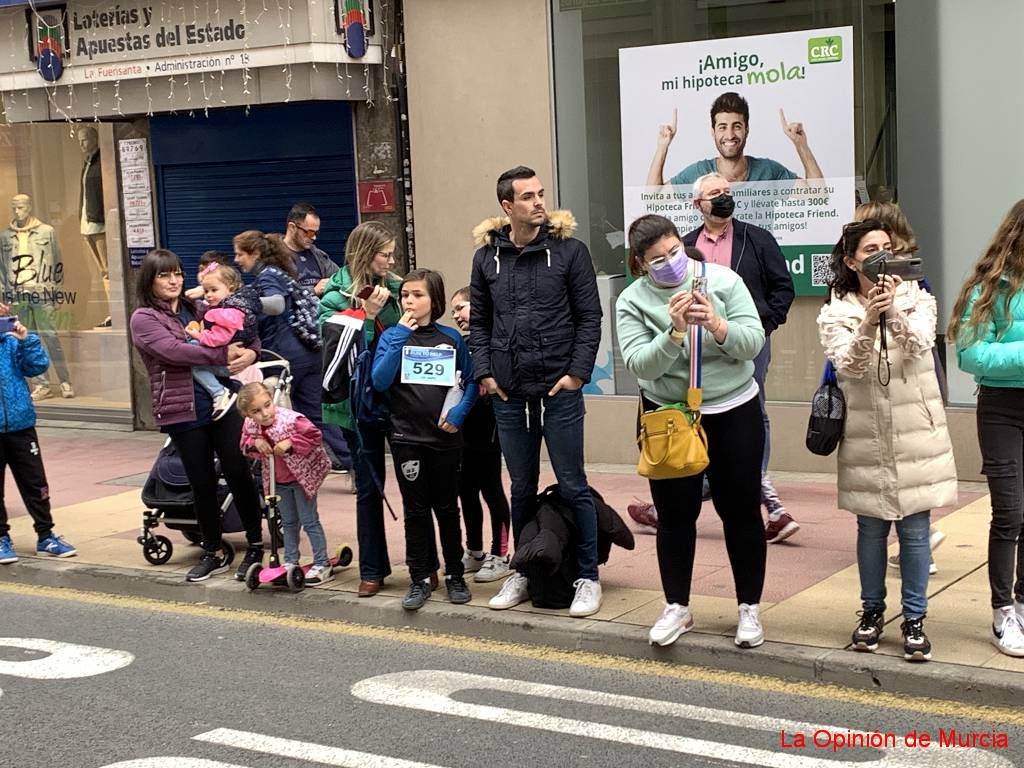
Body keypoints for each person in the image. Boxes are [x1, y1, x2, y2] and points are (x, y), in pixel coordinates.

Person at [616, 214, 767, 649]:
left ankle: (749, 609)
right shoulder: (632, 301)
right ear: (641, 264)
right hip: (671, 415)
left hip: (733, 407)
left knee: (739, 510)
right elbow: (640, 365)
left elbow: (752, 343)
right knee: (676, 515)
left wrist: (718, 326)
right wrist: (675, 332)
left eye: (674, 252)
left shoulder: (722, 280)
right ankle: (677, 606)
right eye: (657, 259)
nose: (669, 263)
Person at [819, 219, 956, 663]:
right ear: (851, 260)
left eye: (886, 247)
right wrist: (868, 322)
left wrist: (892, 312)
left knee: (915, 531)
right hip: (865, 431)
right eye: (870, 250)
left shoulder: (919, 297)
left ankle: (915, 619)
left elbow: (921, 348)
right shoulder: (835, 309)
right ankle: (872, 612)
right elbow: (848, 365)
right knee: (870, 528)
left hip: (916, 428)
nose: (880, 256)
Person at [470, 165, 604, 618]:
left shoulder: (570, 252)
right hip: (509, 394)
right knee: (521, 487)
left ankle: (587, 576)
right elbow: (480, 322)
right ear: (507, 206)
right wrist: (485, 373)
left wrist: (577, 375)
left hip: (559, 390)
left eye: (541, 194)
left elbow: (590, 318)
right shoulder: (487, 258)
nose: (539, 202)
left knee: (573, 484)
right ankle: (523, 570)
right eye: (528, 197)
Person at [130, 249, 265, 583]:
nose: (174, 280)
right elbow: (175, 352)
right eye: (164, 275)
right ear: (150, 280)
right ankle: (212, 549)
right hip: (181, 407)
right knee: (201, 480)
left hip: (224, 399)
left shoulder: (199, 307)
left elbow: (243, 330)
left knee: (238, 470)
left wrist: (251, 352)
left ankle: (256, 545)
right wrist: (221, 352)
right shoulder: (144, 318)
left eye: (177, 272)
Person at [684, 172, 796, 542]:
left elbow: (783, 288)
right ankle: (704, 480)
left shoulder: (757, 238)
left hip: (748, 342)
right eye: (715, 193)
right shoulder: (686, 246)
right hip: (699, 344)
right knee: (698, 410)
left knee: (753, 411)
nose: (724, 198)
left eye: (728, 192)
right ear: (699, 203)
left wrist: (764, 327)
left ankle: (754, 480)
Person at [371, 269, 478, 610]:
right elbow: (380, 379)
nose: (409, 301)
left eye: (417, 295)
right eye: (405, 295)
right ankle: (420, 577)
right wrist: (401, 333)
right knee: (416, 510)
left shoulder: (451, 338)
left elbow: (471, 381)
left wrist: (460, 413)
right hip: (406, 438)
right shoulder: (391, 336)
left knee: (447, 508)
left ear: (435, 300)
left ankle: (455, 575)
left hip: (445, 440)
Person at [853, 201, 948, 574]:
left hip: (905, 377)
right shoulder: (873, 274)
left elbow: (917, 337)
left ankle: (918, 539)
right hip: (888, 377)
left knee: (905, 463)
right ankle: (915, 539)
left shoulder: (905, 275)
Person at [950, 199, 1024, 658]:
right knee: (1011, 512)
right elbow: (969, 355)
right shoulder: (991, 285)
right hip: (1001, 408)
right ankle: (1002, 613)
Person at [318, 221, 405, 597]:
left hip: (401, 400)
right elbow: (335, 352)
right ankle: (372, 568)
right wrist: (367, 317)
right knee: (369, 487)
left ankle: (424, 566)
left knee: (415, 486)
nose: (391, 260)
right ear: (365, 253)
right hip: (355, 404)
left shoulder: (400, 289)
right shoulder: (334, 296)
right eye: (385, 253)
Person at [233, 230, 351, 470]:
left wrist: (241, 302)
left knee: (270, 411)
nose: (236, 260)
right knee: (317, 414)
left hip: (284, 357)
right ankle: (351, 462)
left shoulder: (266, 277)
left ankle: (279, 470)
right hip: (309, 352)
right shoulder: (281, 273)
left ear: (255, 253)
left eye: (240, 254)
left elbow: (275, 305)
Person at [0, 306, 77, 564]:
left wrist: (27, 339)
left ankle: (46, 535)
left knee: (36, 483)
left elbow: (38, 367)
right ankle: (1, 538)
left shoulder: (11, 341)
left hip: (21, 425)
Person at [238, 381, 334, 586]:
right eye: (256, 411)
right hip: (277, 480)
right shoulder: (250, 426)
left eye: (267, 405)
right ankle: (290, 561)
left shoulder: (291, 420)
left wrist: (291, 443)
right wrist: (254, 443)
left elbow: (315, 436)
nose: (264, 413)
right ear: (247, 415)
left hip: (301, 478)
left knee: (309, 520)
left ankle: (322, 562)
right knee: (288, 522)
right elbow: (244, 443)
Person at [451, 285, 511, 582]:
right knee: (466, 490)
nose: (456, 316)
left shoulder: (494, 342)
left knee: (492, 490)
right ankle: (474, 552)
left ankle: (500, 555)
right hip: (462, 432)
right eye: (452, 312)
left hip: (489, 430)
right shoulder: (459, 344)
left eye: (460, 307)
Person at [646, 91, 823, 187]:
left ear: (747, 130)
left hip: (757, 255)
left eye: (737, 126)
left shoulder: (767, 171)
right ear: (713, 132)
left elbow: (818, 195)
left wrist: (801, 144)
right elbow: (654, 200)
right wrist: (662, 147)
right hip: (711, 256)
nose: (730, 135)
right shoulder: (698, 173)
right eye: (722, 127)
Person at [0, 194, 74, 401]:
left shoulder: (46, 232)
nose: (17, 212)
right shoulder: (5, 237)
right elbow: (1, 271)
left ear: (30, 207)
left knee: (51, 337)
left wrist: (56, 295)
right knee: (29, 338)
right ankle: (43, 384)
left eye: (21, 207)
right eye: (14, 208)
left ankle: (64, 380)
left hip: (42, 292)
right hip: (18, 294)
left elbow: (57, 264)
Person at [184, 263, 261, 420]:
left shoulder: (228, 312)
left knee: (192, 355)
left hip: (225, 364)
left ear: (231, 287)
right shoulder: (236, 306)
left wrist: (198, 336)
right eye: (206, 291)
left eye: (214, 290)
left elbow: (218, 339)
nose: (208, 295)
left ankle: (219, 393)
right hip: (226, 365)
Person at [77, 126, 111, 328]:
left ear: (95, 139)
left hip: (99, 223)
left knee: (108, 270)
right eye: (80, 141)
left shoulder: (101, 161)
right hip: (87, 223)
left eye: (85, 140)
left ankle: (113, 311)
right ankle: (111, 311)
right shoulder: (88, 162)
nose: (82, 144)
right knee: (102, 271)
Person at [282, 202, 339, 297]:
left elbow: (340, 277)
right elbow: (278, 296)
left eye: (316, 233)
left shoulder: (319, 256)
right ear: (292, 227)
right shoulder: (274, 257)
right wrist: (313, 290)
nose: (314, 238)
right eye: (309, 232)